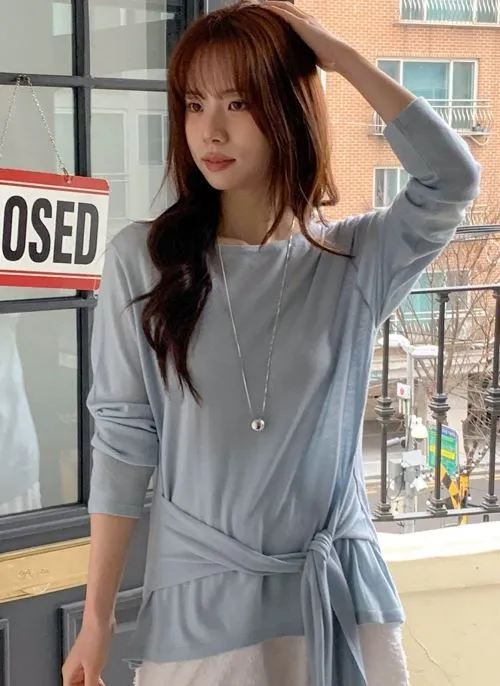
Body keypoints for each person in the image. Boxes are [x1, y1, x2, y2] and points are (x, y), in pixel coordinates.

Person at [62, 1, 480, 685]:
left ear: (288, 110)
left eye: (239, 103)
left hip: (334, 603)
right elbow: (122, 442)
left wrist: (340, 58)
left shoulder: (352, 261)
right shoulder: (145, 261)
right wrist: (97, 619)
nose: (211, 130)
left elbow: (452, 179)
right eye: (194, 105)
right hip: (201, 609)